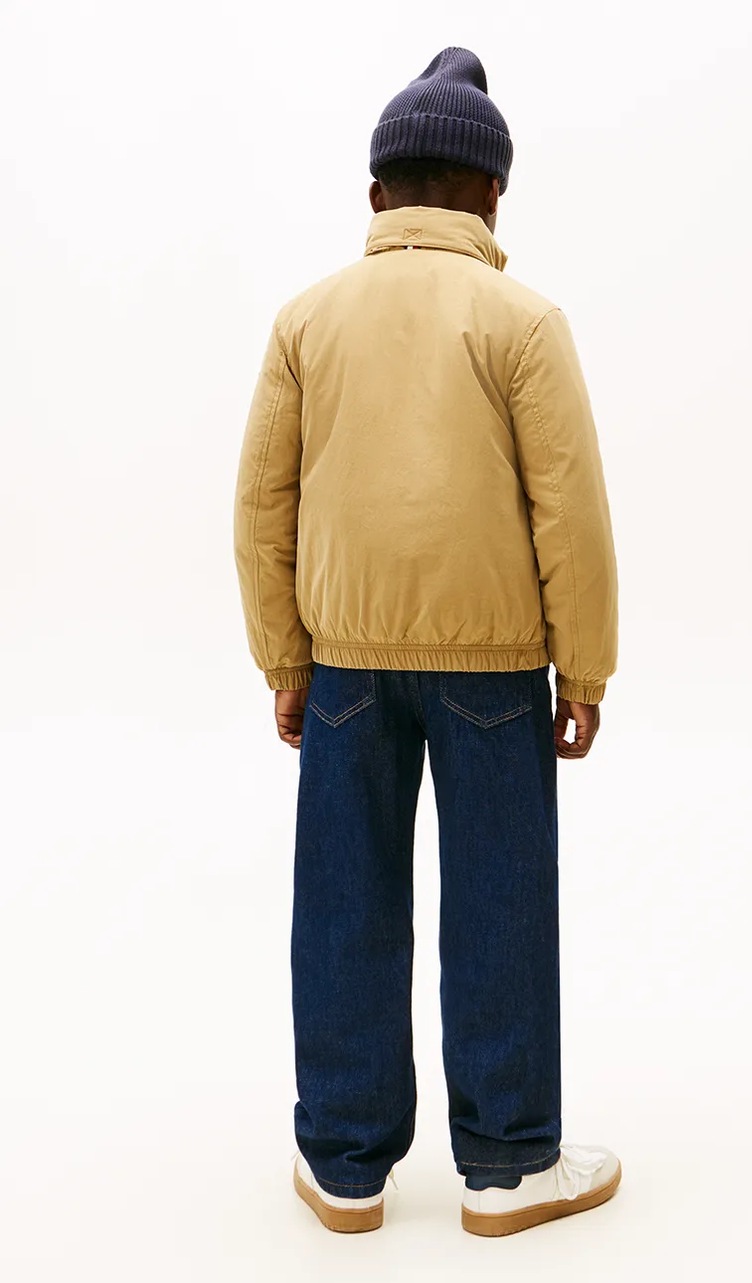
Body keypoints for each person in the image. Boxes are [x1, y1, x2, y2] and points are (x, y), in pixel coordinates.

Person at [233, 45, 621, 1238]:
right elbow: (570, 510)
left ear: (375, 194)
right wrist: (585, 667)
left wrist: (285, 659)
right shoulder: (523, 319)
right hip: (495, 667)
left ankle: (344, 1163)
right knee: (501, 903)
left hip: (345, 663)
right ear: (493, 194)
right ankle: (506, 1164)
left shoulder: (307, 319)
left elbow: (263, 504)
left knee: (343, 901)